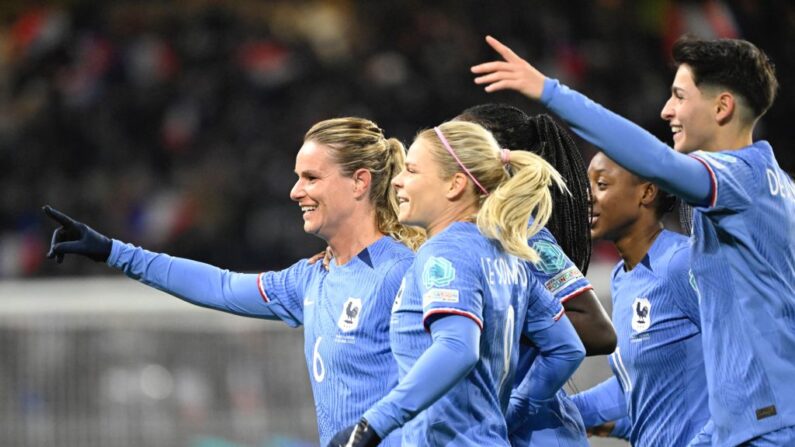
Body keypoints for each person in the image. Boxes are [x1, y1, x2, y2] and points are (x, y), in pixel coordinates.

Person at [472, 34, 795, 445]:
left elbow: (658, 163)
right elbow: (645, 388)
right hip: (758, 424)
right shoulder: (770, 184)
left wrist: (548, 91)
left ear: (722, 106)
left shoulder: (742, 179)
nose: (667, 110)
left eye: (679, 96)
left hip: (765, 428)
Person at [43, 117, 425, 446]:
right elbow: (222, 287)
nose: (296, 192)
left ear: (359, 182)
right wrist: (114, 251)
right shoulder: (311, 279)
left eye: (311, 178)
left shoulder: (401, 274)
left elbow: (452, 377)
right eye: (297, 178)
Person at [328, 120, 585, 447]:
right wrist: (512, 414)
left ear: (455, 185)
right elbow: (566, 348)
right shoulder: (508, 254)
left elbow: (457, 348)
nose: (397, 181)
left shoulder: (446, 252)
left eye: (412, 171)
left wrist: (371, 425)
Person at [457, 104, 615, 446]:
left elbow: (598, 330)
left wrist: (504, 324)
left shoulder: (520, 236)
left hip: (537, 435)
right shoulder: (455, 240)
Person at [568, 151, 710, 446]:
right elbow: (636, 385)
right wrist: (563, 412)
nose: (587, 197)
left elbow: (745, 358)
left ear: (646, 192)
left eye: (602, 185)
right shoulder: (622, 276)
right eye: (587, 185)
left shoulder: (680, 263)